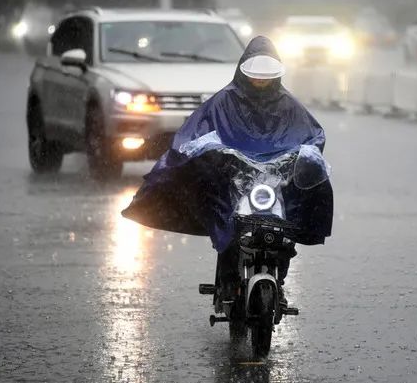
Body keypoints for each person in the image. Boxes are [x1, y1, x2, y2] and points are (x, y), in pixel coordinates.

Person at [122, 36, 333, 301]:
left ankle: (280, 281)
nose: (260, 82)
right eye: (256, 76)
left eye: (265, 77)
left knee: (285, 231)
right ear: (244, 71)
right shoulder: (224, 101)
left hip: (274, 181)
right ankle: (229, 281)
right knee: (230, 226)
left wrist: (304, 154)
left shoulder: (289, 105)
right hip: (233, 178)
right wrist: (211, 151)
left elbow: (313, 135)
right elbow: (194, 134)